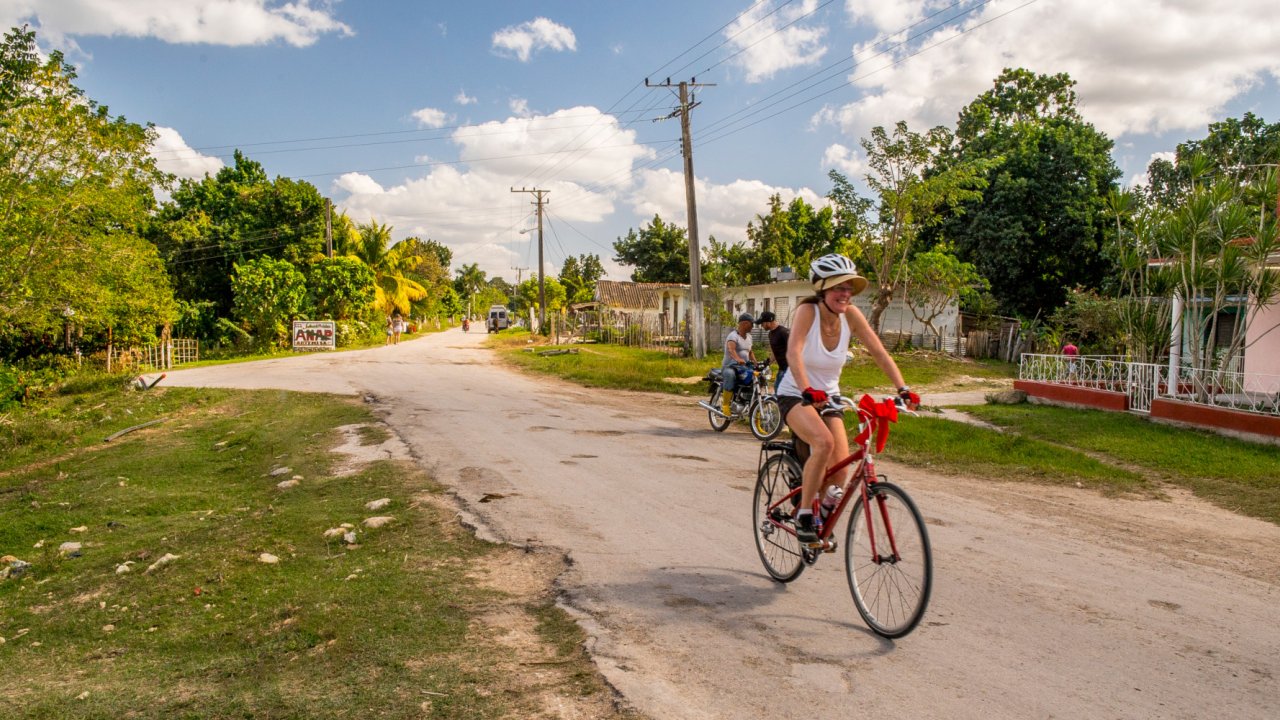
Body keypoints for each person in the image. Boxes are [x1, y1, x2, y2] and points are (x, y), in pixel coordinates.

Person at [777, 254, 918, 547]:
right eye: (838, 287)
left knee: (841, 469)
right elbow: (794, 353)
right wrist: (806, 389)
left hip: (829, 395)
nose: (845, 293)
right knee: (824, 443)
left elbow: (879, 352)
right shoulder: (808, 312)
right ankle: (804, 514)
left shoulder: (851, 314)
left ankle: (821, 512)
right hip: (795, 393)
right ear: (823, 289)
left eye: (849, 287)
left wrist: (902, 388)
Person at [720, 313, 757, 417]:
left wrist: (755, 362)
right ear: (745, 324)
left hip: (743, 366)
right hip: (730, 366)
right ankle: (726, 405)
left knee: (756, 376)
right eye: (751, 324)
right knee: (730, 375)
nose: (753, 326)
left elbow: (750, 352)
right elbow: (731, 350)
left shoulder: (749, 337)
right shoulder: (733, 336)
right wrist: (737, 359)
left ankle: (748, 401)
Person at [757, 310, 789, 391]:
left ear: (768, 322)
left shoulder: (784, 332)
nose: (761, 326)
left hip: (789, 369)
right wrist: (768, 362)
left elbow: (795, 349)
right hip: (782, 368)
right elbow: (775, 352)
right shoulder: (770, 334)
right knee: (777, 389)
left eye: (762, 323)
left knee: (780, 391)